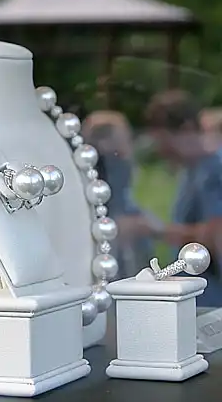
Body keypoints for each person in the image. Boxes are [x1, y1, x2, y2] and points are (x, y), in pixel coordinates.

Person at [145, 89, 222, 306]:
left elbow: (216, 236)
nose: (161, 151)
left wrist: (156, 230)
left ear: (187, 129)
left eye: (164, 141)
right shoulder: (193, 170)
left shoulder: (214, 171)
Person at [82, 111, 162, 277]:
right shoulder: (112, 167)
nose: (129, 149)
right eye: (126, 139)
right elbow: (119, 216)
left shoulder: (95, 171)